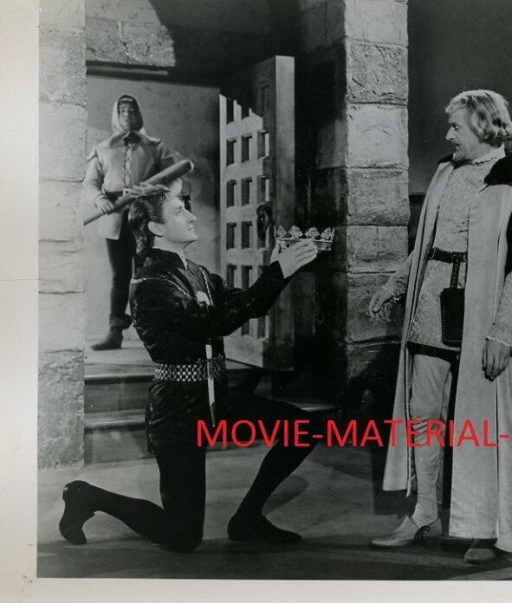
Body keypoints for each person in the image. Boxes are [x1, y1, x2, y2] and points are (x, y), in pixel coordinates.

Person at [58, 189, 320, 552]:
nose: (192, 217)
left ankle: (247, 519)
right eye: (180, 211)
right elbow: (217, 321)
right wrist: (278, 273)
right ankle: (86, 496)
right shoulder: (150, 284)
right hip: (177, 412)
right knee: (182, 537)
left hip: (215, 398)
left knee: (304, 428)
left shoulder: (195, 272)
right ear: (155, 227)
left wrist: (278, 270)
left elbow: (244, 303)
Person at [369, 90, 512, 564]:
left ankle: (486, 527)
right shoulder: (445, 172)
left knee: (481, 423)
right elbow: (427, 242)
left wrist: (502, 332)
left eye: (456, 126)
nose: (448, 134)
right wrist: (396, 284)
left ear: (483, 125)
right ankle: (424, 513)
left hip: (482, 312)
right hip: (432, 305)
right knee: (423, 412)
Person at [83, 94, 176, 350]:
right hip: (114, 219)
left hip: (144, 217)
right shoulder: (103, 149)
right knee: (120, 276)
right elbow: (90, 183)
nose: (127, 115)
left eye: (132, 110)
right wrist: (100, 199)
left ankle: (153, 333)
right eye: (122, 110)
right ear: (116, 114)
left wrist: (153, 192)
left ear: (139, 114)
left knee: (146, 275)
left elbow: (174, 179)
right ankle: (115, 332)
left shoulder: (156, 147)